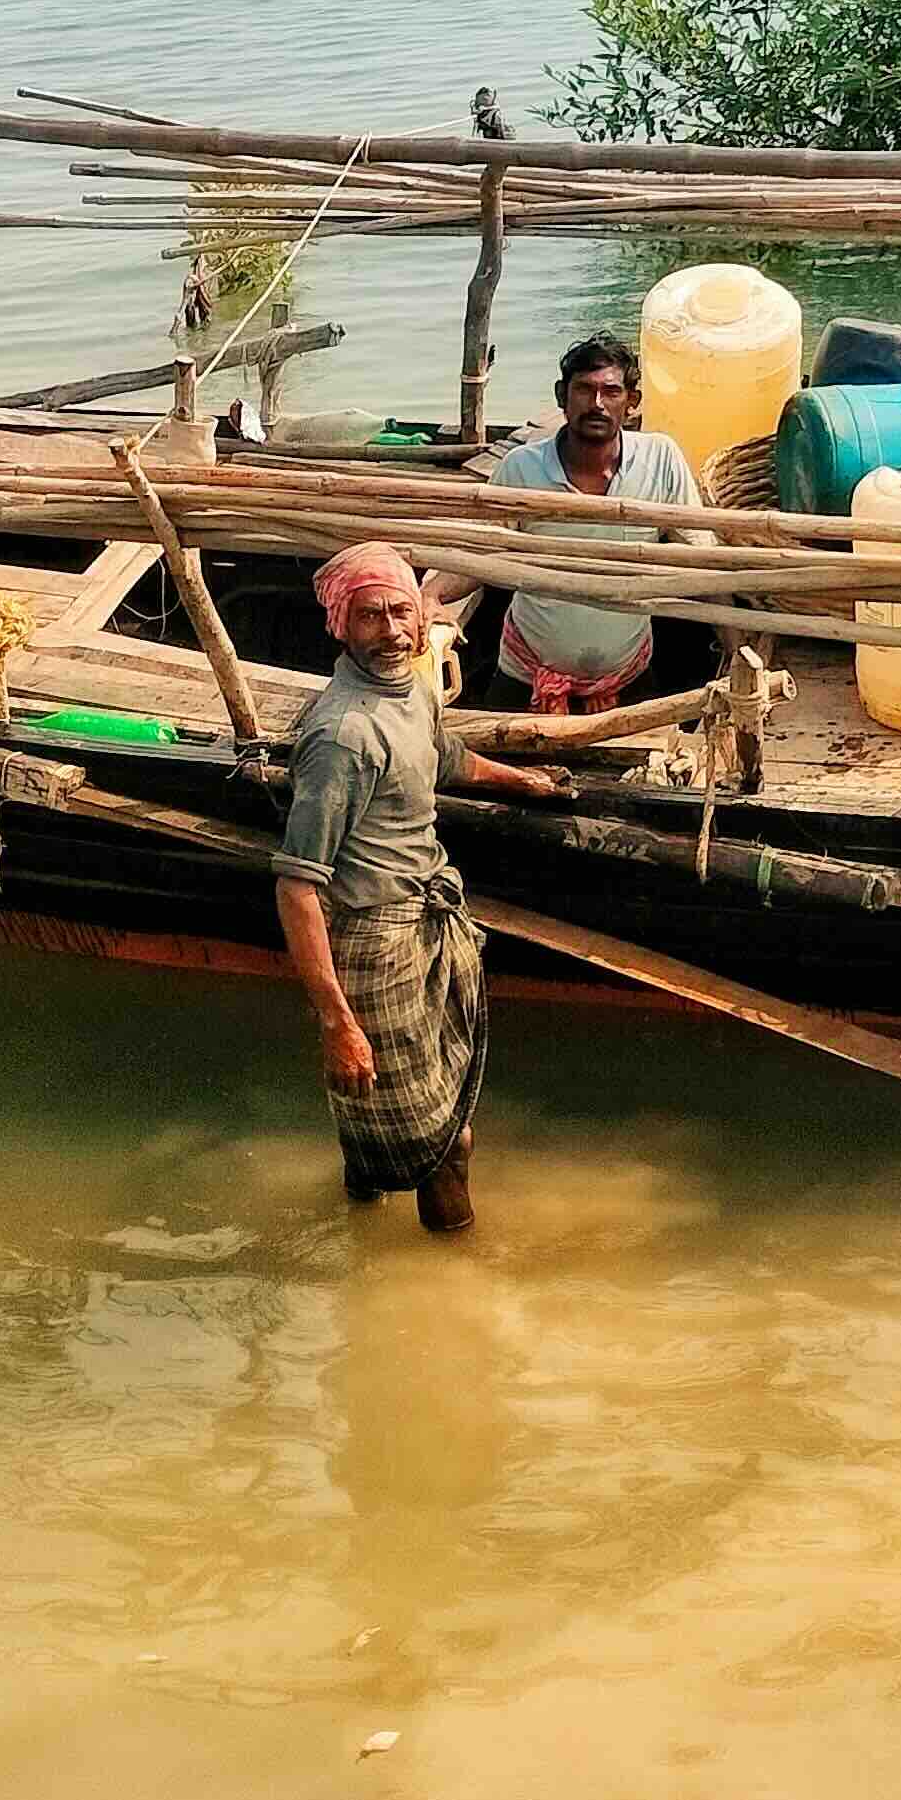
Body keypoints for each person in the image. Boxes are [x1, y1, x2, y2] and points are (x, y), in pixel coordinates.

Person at [270, 543, 573, 1235]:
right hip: (373, 939)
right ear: (339, 626)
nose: (393, 633)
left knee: (428, 1107)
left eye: (401, 612)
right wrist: (338, 1023)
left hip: (432, 915)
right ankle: (454, 1289)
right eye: (370, 617)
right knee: (449, 1146)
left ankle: (358, 1225)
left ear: (422, 611)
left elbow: (446, 757)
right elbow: (297, 888)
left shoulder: (412, 688)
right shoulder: (343, 736)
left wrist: (525, 782)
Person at [453, 333, 706, 714]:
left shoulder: (660, 459)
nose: (597, 404)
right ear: (561, 396)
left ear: (631, 402)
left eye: (611, 392)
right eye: (584, 390)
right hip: (526, 676)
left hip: (628, 676)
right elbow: (480, 551)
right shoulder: (522, 468)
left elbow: (702, 556)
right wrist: (429, 599)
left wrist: (738, 641)